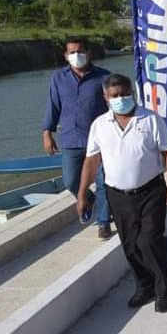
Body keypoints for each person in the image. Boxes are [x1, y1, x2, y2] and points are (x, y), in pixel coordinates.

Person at [76, 74, 167, 313]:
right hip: (118, 195)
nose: (120, 99)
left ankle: (164, 291)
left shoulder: (150, 119)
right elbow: (92, 161)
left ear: (132, 94)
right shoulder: (100, 125)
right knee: (131, 245)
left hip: (151, 190)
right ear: (106, 98)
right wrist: (83, 193)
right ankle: (145, 287)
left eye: (124, 94)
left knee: (150, 239)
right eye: (114, 96)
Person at [42, 38, 113, 240]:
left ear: (88, 53)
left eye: (80, 51)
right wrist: (47, 132)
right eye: (72, 52)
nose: (76, 55)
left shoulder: (103, 77)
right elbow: (53, 105)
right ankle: (89, 199)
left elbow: (113, 104)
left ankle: (104, 222)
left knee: (103, 182)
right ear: (66, 56)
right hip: (71, 139)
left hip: (99, 140)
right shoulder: (58, 78)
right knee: (71, 181)